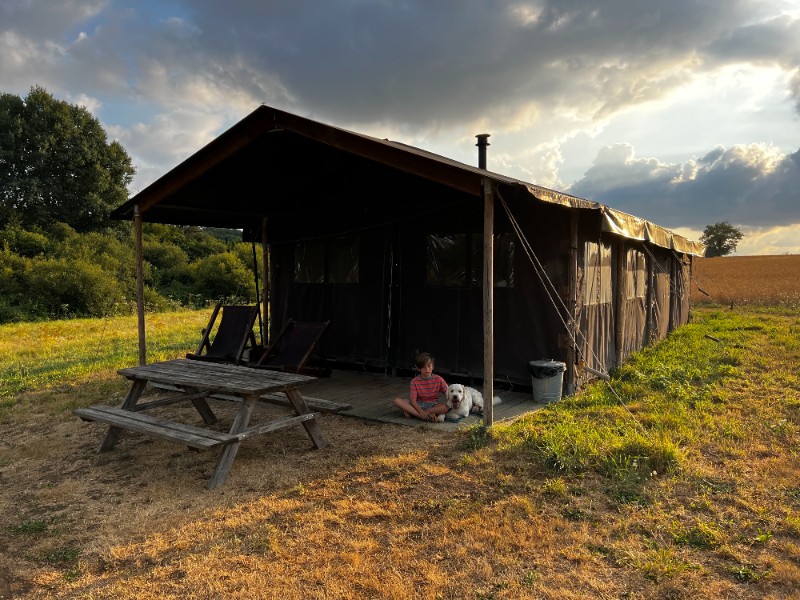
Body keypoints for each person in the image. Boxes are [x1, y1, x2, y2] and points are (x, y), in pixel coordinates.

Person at [393, 352, 448, 422]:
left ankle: (413, 412)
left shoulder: (439, 379)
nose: (427, 369)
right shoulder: (414, 381)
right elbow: (413, 401)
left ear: (433, 366)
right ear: (419, 368)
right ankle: (421, 416)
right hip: (417, 405)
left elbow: (448, 393)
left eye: (429, 366)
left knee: (445, 407)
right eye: (423, 367)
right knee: (397, 401)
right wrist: (421, 412)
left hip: (432, 405)